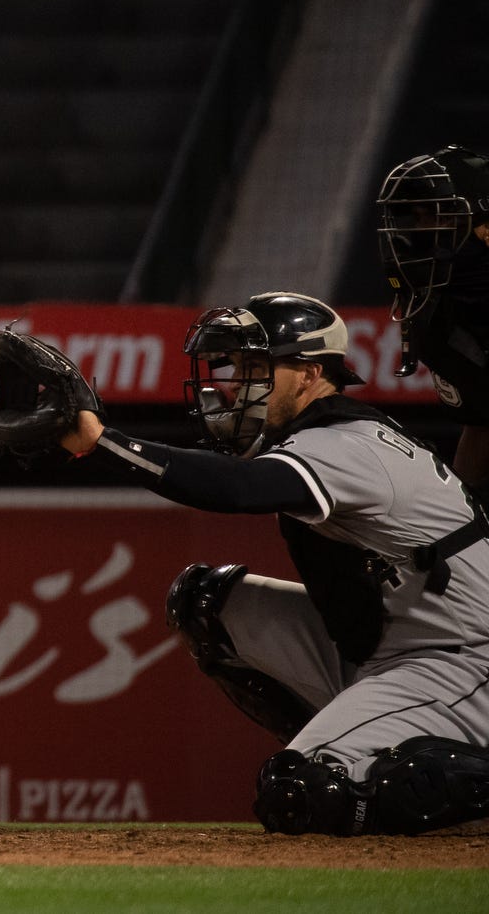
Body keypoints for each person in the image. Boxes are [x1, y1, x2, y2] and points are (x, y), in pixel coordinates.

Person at [32, 291, 489, 836]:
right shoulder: (329, 434)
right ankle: (345, 744)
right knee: (207, 603)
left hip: (463, 662)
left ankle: (353, 765)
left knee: (300, 794)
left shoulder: (347, 443)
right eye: (239, 368)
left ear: (310, 372)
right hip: (395, 647)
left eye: (256, 367)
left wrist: (102, 442)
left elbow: (239, 489)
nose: (237, 385)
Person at [377, 144, 489, 495]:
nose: (421, 234)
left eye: (437, 217)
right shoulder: (439, 314)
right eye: (418, 218)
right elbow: (482, 422)